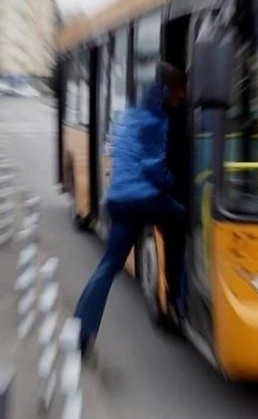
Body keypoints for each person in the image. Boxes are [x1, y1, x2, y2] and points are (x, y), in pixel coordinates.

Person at [74, 61, 187, 357]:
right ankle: (176, 302)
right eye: (179, 91)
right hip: (144, 199)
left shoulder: (127, 115)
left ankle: (81, 330)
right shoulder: (155, 119)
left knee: (109, 265)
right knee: (183, 223)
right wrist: (176, 181)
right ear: (165, 91)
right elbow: (152, 168)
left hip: (118, 200)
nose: (182, 98)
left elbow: (121, 153)